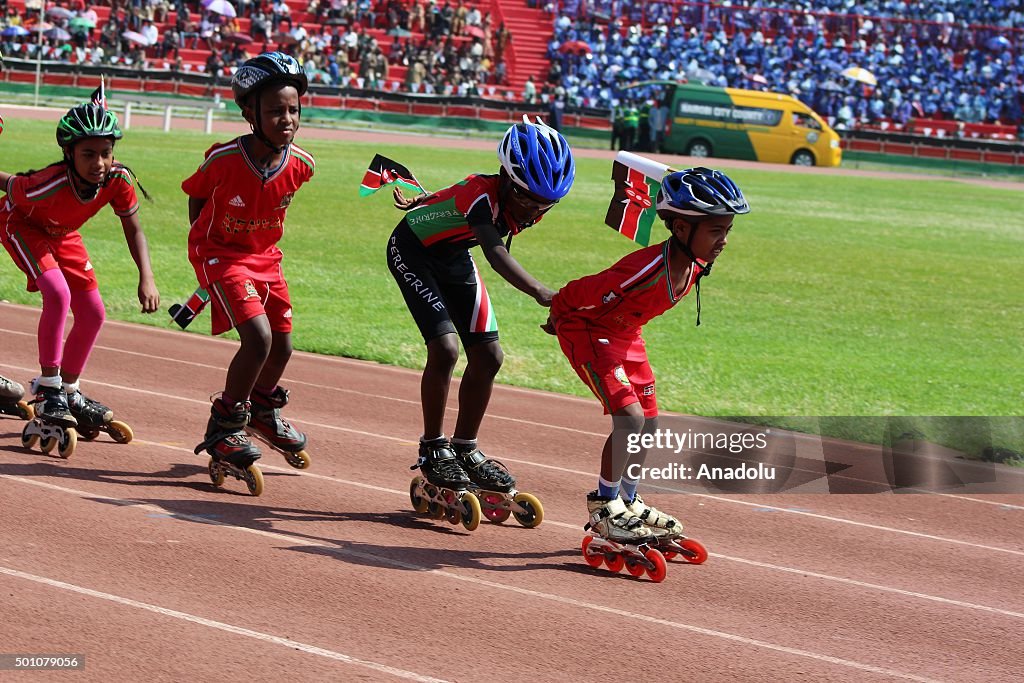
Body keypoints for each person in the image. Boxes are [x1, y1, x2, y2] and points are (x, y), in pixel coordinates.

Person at [543, 167, 749, 542]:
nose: (724, 241)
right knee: (630, 419)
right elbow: (579, 292)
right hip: (591, 333)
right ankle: (604, 506)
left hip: (626, 335)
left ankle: (628, 499)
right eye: (716, 231)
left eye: (727, 231)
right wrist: (557, 314)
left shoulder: (697, 262)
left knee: (650, 422)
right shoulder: (643, 270)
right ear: (682, 229)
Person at [388, 117, 574, 494]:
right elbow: (494, 252)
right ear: (506, 178)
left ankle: (465, 448)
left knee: (489, 356)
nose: (533, 212)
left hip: (454, 256)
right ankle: (433, 449)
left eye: (546, 206)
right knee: (445, 349)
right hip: (412, 251)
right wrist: (542, 292)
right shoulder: (483, 194)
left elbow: (452, 192)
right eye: (526, 199)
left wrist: (423, 200)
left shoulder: (506, 195)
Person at [183, 52, 315, 472]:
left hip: (266, 259)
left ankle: (261, 407)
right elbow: (197, 194)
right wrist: (207, 254)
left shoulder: (302, 165)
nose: (288, 119)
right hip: (221, 254)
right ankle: (224, 424)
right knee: (257, 339)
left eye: (294, 110)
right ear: (249, 113)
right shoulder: (222, 159)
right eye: (276, 111)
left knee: (283, 344)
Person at [0, 104, 159, 431]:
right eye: (88, 154)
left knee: (93, 313)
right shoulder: (45, 184)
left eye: (106, 152)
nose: (98, 163)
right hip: (21, 224)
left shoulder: (118, 179)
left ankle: (68, 390)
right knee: (57, 294)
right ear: (69, 153)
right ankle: (48, 388)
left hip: (63, 233)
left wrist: (147, 277)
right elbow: (11, 186)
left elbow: (134, 228)